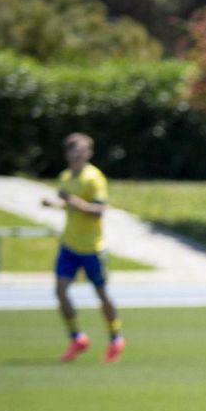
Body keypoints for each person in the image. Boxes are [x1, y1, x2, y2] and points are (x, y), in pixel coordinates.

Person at [43, 133, 123, 363]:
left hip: (91, 248)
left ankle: (115, 337)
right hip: (69, 245)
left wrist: (70, 201)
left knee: (101, 293)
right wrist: (56, 204)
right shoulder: (66, 177)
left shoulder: (94, 178)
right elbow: (71, 207)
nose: (79, 155)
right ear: (67, 153)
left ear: (89, 153)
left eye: (84, 151)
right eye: (75, 151)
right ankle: (77, 338)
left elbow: (98, 210)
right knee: (60, 291)